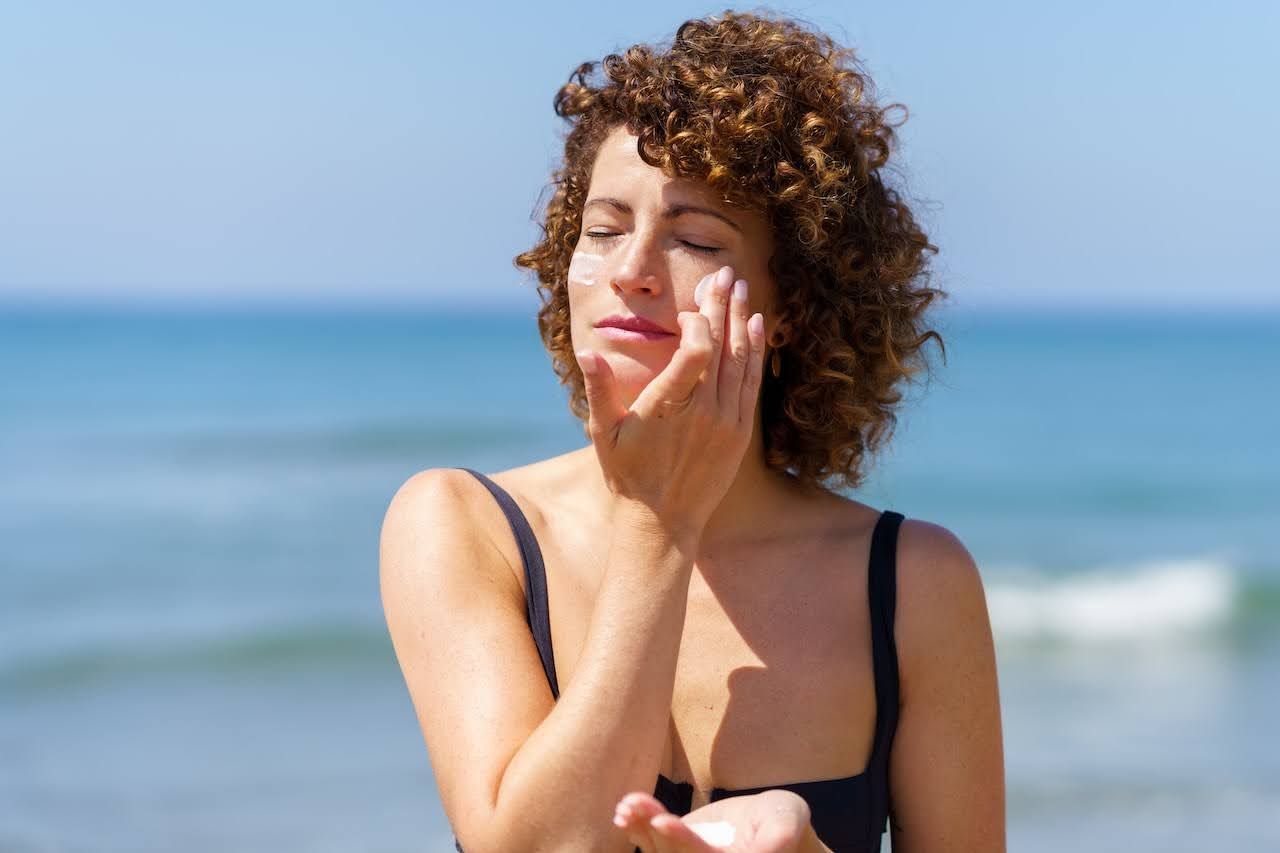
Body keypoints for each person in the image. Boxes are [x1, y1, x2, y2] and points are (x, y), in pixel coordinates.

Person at [380, 10, 1005, 852]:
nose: (631, 270)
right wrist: (659, 524)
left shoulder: (915, 583)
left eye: (694, 240)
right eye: (601, 230)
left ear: (791, 306)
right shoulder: (462, 526)